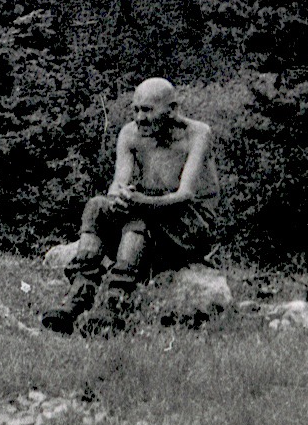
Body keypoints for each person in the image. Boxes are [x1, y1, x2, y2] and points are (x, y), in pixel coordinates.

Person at [41, 77, 219, 334]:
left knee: (137, 214)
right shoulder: (130, 134)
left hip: (191, 226)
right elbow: (118, 183)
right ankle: (78, 298)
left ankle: (114, 304)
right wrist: (119, 198)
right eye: (135, 109)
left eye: (147, 110)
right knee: (96, 206)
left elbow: (185, 195)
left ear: (172, 109)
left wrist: (139, 202)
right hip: (152, 221)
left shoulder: (197, 134)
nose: (139, 118)